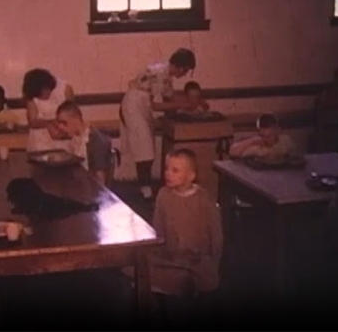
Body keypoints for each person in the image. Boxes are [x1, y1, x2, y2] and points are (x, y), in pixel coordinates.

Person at [149, 148, 223, 325]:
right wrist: (161, 253)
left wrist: (213, 262)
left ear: (191, 176)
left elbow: (216, 235)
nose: (168, 174)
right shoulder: (163, 196)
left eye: (175, 170)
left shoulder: (205, 199)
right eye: (167, 168)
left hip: (198, 259)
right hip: (171, 258)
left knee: (201, 283)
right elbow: (158, 229)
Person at [120, 48, 196, 200]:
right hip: (134, 106)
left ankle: (145, 186)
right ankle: (145, 190)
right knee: (145, 150)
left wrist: (190, 104)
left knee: (148, 148)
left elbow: (170, 97)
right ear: (180, 67)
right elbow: (156, 105)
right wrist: (183, 106)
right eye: (186, 70)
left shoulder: (167, 75)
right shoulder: (160, 73)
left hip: (142, 106)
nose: (185, 74)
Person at [55, 101, 113, 185]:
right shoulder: (75, 139)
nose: (61, 128)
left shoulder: (95, 140)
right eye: (59, 123)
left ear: (75, 119)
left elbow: (100, 177)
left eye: (64, 123)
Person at [22, 68, 75, 152]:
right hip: (39, 143)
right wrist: (49, 123)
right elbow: (32, 121)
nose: (40, 98)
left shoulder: (65, 89)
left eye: (41, 94)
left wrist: (62, 128)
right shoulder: (31, 92)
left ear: (46, 87)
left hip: (63, 141)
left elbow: (72, 115)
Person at [229, 113, 296, 158]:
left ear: (277, 130)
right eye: (263, 136)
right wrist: (252, 141)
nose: (266, 140)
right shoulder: (257, 148)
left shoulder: (285, 141)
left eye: (269, 136)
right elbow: (233, 151)